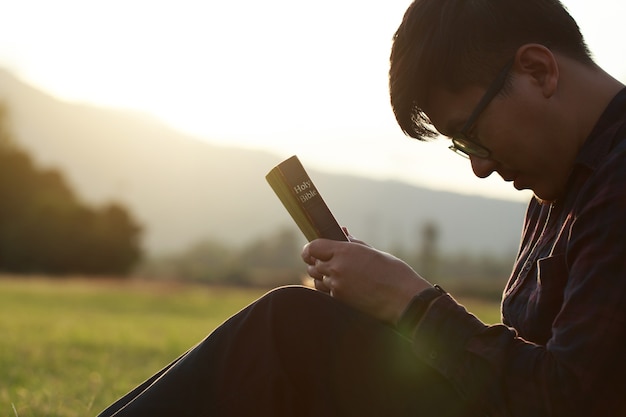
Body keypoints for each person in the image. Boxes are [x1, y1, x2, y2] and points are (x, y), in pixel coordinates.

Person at [96, 0, 626, 416]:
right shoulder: (563, 183)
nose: (480, 168)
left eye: (472, 136)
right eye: (464, 148)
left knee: (289, 329)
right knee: (303, 331)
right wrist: (387, 307)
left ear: (538, 72)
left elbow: (570, 402)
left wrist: (411, 302)